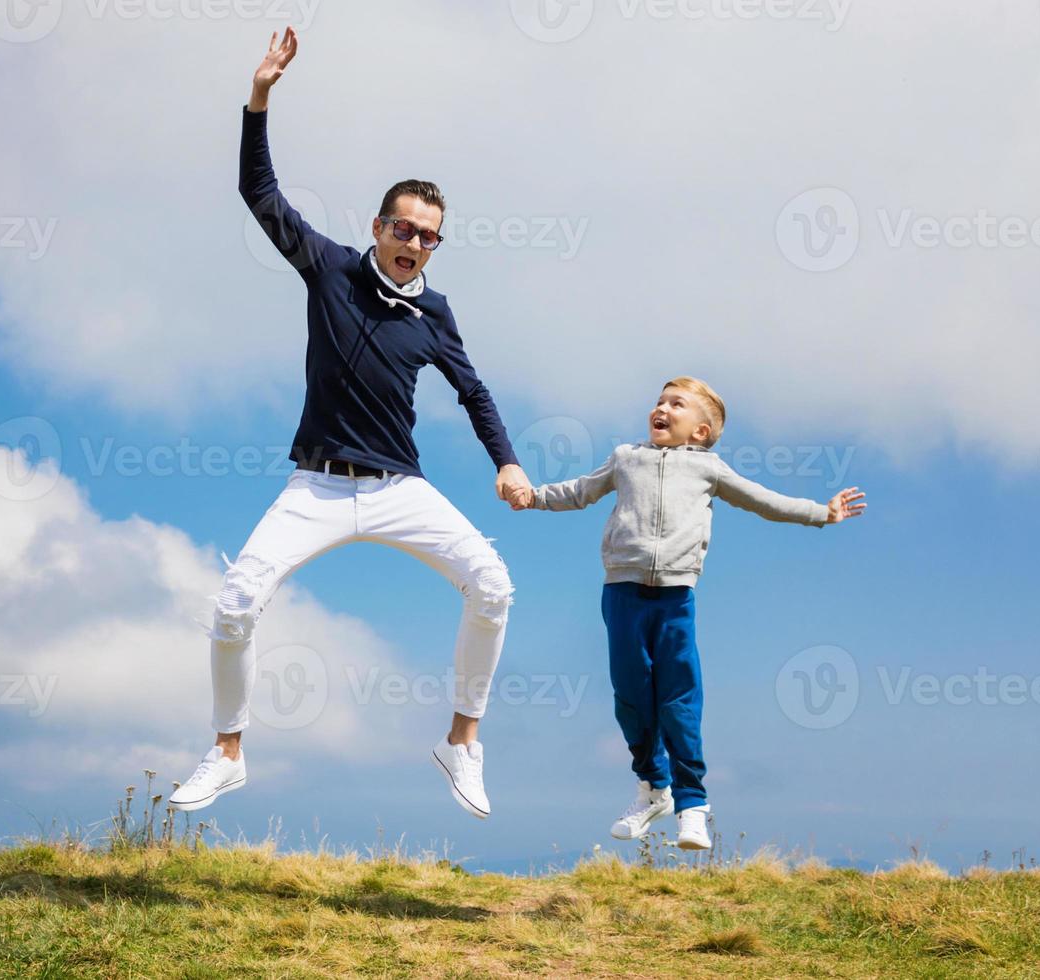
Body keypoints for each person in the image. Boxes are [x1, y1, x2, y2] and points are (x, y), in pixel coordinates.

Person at [168, 29, 533, 820]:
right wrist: (260, 97)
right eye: (405, 229)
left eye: (430, 236)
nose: (416, 244)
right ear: (378, 227)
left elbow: (474, 391)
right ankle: (227, 751)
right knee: (235, 603)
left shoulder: (435, 313)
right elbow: (259, 194)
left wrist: (506, 462)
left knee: (494, 585)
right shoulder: (328, 266)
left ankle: (461, 742)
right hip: (318, 486)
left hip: (401, 488)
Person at [511, 377, 866, 848]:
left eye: (676, 404)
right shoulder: (625, 458)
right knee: (631, 696)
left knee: (679, 698)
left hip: (676, 597)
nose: (662, 408)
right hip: (622, 593)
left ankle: (692, 803)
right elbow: (580, 490)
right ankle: (653, 788)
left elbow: (764, 501)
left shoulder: (710, 471)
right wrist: (533, 495)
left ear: (699, 431)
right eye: (659, 401)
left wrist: (821, 512)